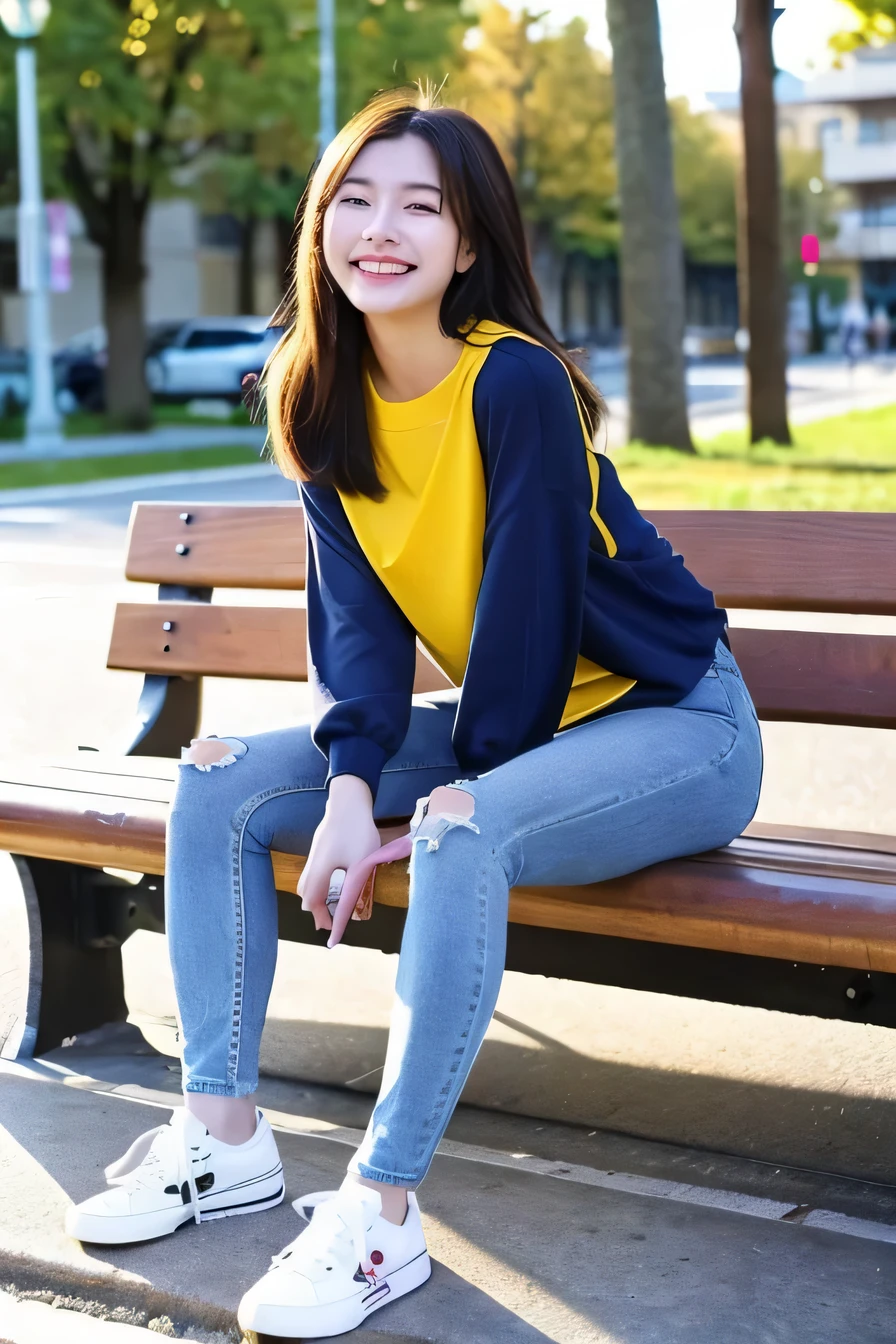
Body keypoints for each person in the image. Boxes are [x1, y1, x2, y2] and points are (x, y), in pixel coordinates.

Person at [64, 88, 763, 1339]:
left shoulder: (517, 386)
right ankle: (222, 1134)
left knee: (456, 826)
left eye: (419, 207)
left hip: (680, 727)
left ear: (468, 243)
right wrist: (345, 789)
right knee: (219, 778)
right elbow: (357, 633)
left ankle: (382, 1211)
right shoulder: (319, 391)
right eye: (355, 198)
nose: (379, 228)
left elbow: (531, 621)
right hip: (533, 730)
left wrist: (434, 805)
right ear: (320, 225)